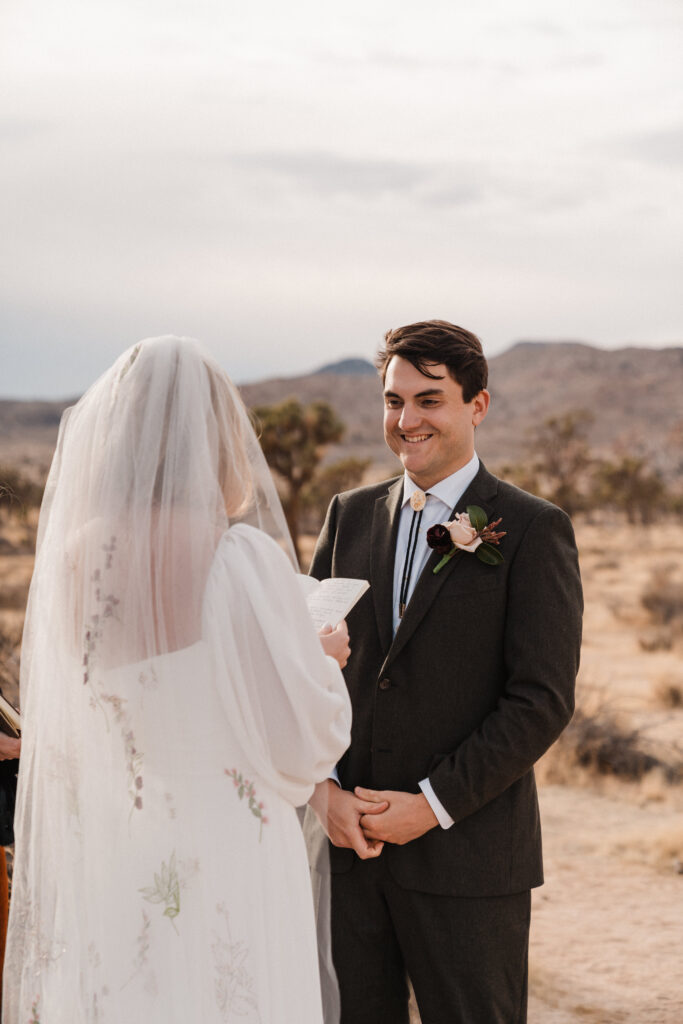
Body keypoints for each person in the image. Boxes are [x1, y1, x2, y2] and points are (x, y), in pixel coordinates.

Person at [3, 336, 352, 1023]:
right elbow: (301, 747)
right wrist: (322, 660)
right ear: (214, 437)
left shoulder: (71, 564)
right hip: (231, 846)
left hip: (124, 844)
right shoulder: (237, 555)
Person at [307, 320, 583, 1023]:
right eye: (394, 401)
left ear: (476, 406)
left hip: (469, 859)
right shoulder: (349, 515)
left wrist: (429, 806)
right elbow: (299, 669)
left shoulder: (529, 528)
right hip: (348, 852)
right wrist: (323, 794)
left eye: (428, 400)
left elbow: (539, 700)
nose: (406, 420)